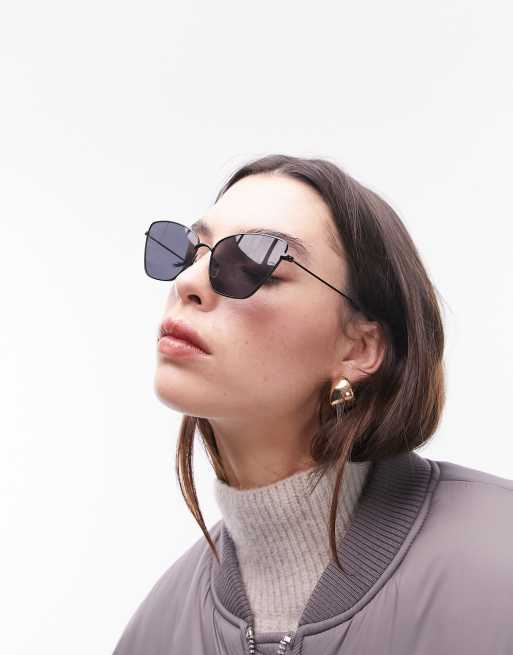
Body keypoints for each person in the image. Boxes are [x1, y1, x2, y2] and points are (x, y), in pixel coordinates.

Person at [113, 154, 513, 655]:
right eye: (190, 252)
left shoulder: (500, 558)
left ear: (359, 348)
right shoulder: (158, 630)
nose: (188, 282)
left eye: (254, 264)